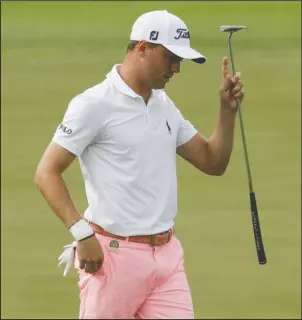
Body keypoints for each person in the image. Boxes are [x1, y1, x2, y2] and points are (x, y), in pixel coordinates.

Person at [35, 9, 244, 319]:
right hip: (114, 259)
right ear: (143, 47)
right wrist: (81, 233)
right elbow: (46, 172)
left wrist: (226, 112)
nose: (176, 68)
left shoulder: (163, 105)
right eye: (171, 58)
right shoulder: (94, 104)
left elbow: (212, 161)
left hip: (167, 258)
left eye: (180, 61)